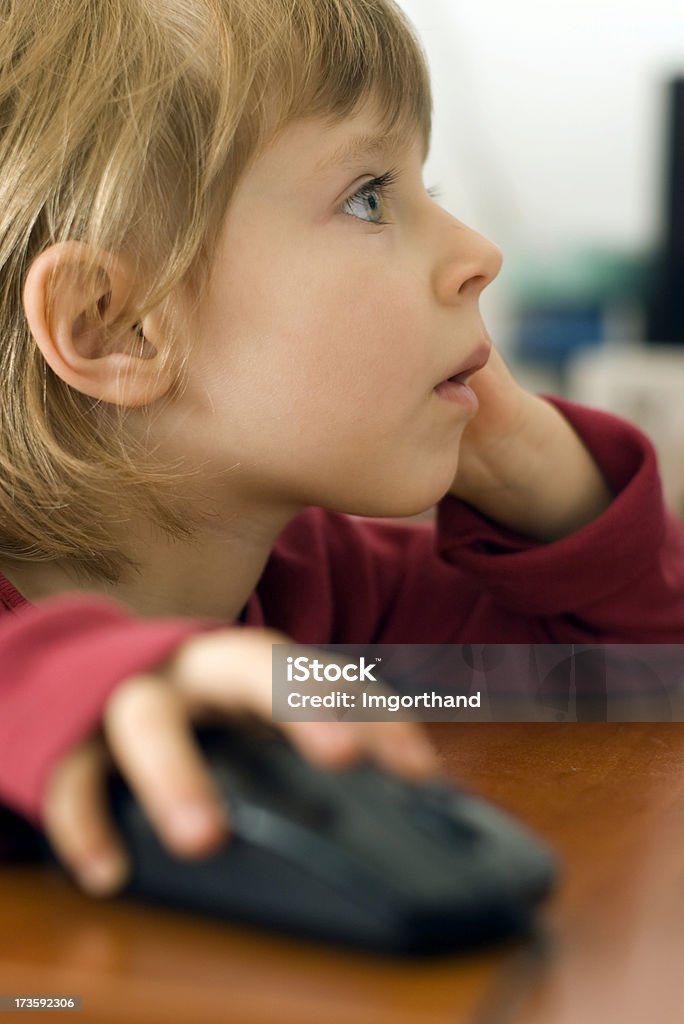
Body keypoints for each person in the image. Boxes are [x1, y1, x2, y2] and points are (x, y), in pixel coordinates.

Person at [1, 0, 682, 899]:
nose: (481, 254)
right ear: (113, 326)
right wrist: (101, 682)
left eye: (426, 190)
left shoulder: (336, 589)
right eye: (369, 196)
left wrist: (541, 475)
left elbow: (634, 676)